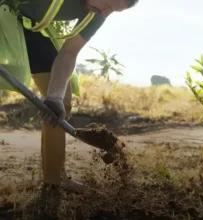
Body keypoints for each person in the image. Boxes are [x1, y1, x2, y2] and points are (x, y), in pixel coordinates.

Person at [1, 0, 139, 191]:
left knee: (61, 98)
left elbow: (69, 52)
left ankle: (54, 180)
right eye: (107, 4)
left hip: (29, 27)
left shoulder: (96, 14)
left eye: (113, 11)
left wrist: (55, 97)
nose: (105, 14)